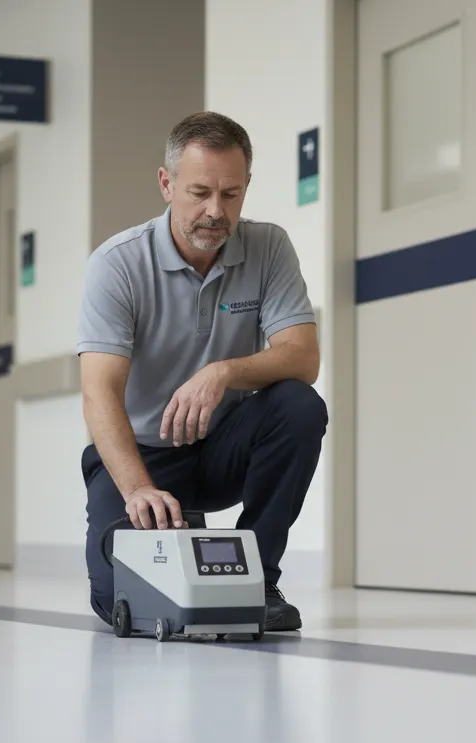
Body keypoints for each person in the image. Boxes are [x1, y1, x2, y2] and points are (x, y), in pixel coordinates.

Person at [76, 111, 327, 632]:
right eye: (200, 193)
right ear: (166, 185)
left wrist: (222, 371)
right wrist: (137, 488)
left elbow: (303, 358)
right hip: (143, 455)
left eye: (231, 194)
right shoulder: (117, 264)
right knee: (119, 601)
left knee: (299, 405)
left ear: (247, 187)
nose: (216, 211)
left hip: (219, 448)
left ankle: (257, 578)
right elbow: (100, 393)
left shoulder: (269, 248)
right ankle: (168, 540)